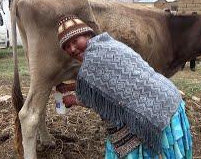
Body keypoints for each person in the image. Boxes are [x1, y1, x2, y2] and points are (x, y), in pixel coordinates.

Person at [56, 15, 193, 158]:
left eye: (75, 41)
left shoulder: (92, 59)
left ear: (88, 35)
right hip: (168, 98)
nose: (72, 49)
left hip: (155, 109)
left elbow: (96, 99)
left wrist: (72, 100)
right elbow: (103, 83)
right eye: (66, 47)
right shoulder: (107, 45)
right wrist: (69, 87)